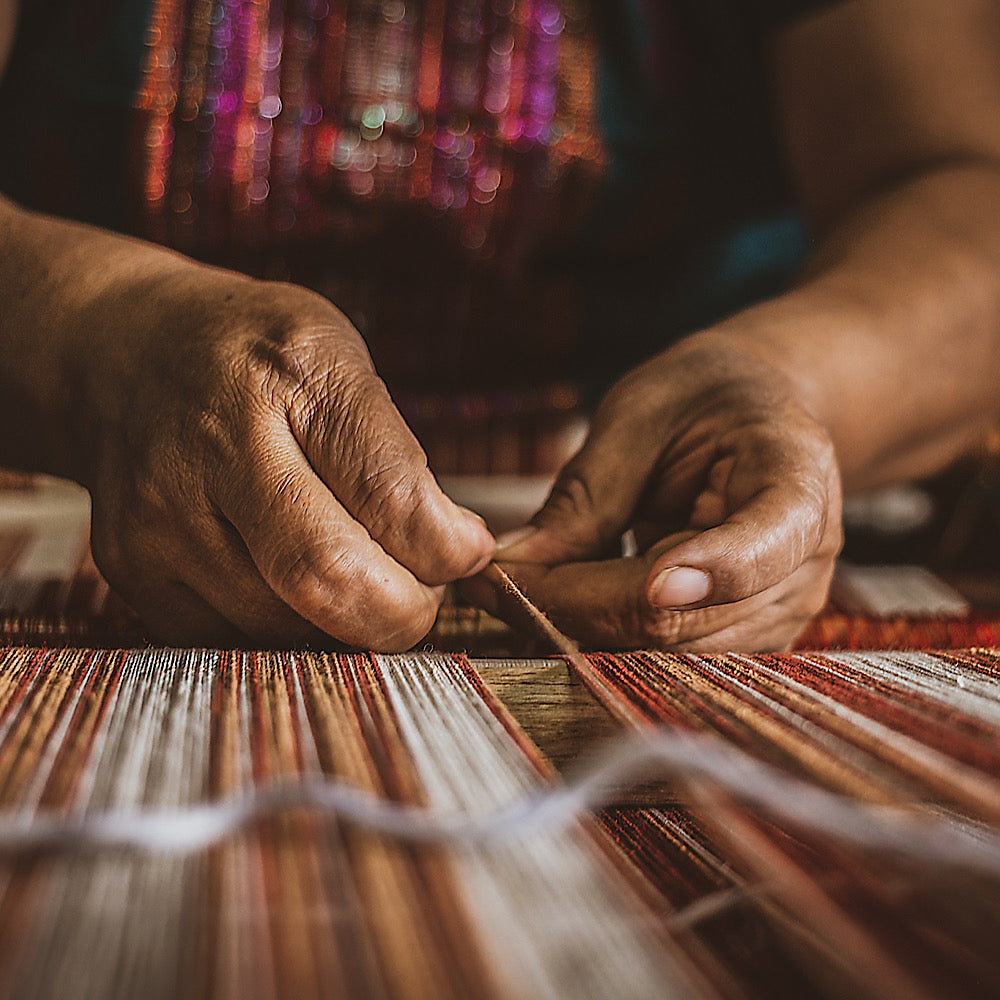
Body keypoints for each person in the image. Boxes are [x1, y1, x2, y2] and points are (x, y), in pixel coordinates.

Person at [1, 0, 999, 652]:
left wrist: (793, 380)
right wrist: (91, 337)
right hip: (63, 513)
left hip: (645, 528)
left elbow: (961, 204)